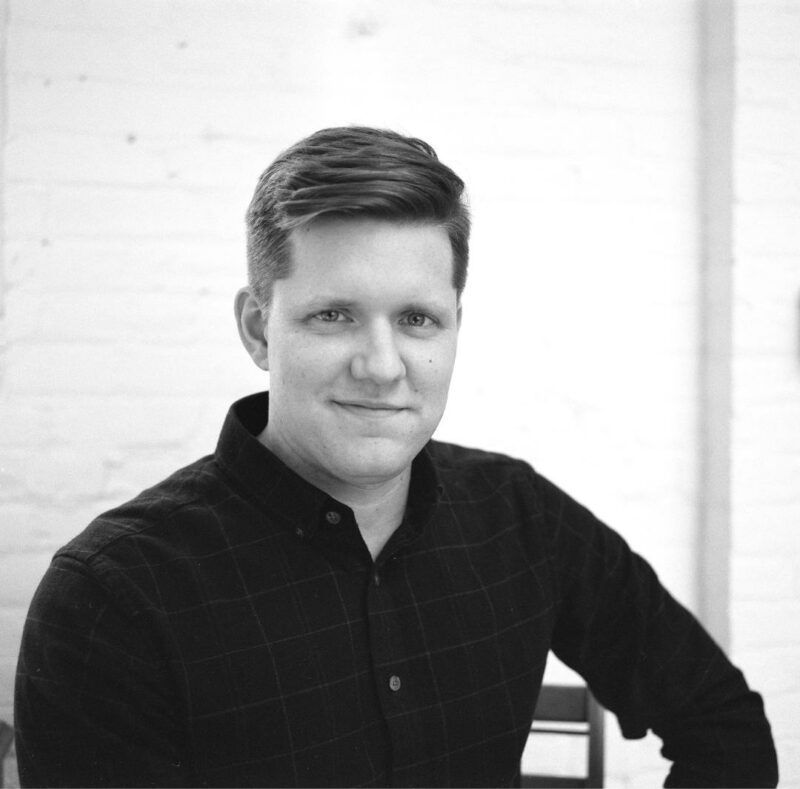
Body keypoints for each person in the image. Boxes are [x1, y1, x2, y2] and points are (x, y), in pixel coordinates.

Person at [15, 126, 777, 788]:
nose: (382, 365)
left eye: (417, 318)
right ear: (257, 328)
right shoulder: (114, 597)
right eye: (334, 315)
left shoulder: (520, 517)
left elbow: (722, 723)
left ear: (453, 329)